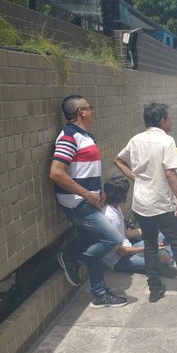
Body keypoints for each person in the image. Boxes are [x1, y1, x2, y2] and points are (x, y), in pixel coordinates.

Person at [114, 103, 177, 303]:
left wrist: (136, 178)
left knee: (150, 245)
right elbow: (170, 174)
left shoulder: (136, 140)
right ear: (161, 121)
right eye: (168, 118)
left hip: (141, 204)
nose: (171, 121)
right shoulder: (166, 141)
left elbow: (118, 160)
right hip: (161, 203)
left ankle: (155, 289)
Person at [50, 95, 127, 308]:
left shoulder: (87, 136)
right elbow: (56, 173)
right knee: (113, 239)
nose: (93, 111)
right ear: (80, 112)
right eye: (89, 108)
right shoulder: (68, 137)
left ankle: (99, 293)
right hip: (78, 203)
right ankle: (72, 256)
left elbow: (86, 169)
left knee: (96, 244)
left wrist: (99, 190)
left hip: (90, 199)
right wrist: (86, 194)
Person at [101, 176, 175, 276]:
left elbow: (125, 233)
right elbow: (120, 251)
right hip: (119, 260)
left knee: (163, 235)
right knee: (161, 257)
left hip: (129, 247)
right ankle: (162, 262)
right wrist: (147, 248)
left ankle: (162, 261)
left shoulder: (116, 209)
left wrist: (149, 230)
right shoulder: (109, 217)